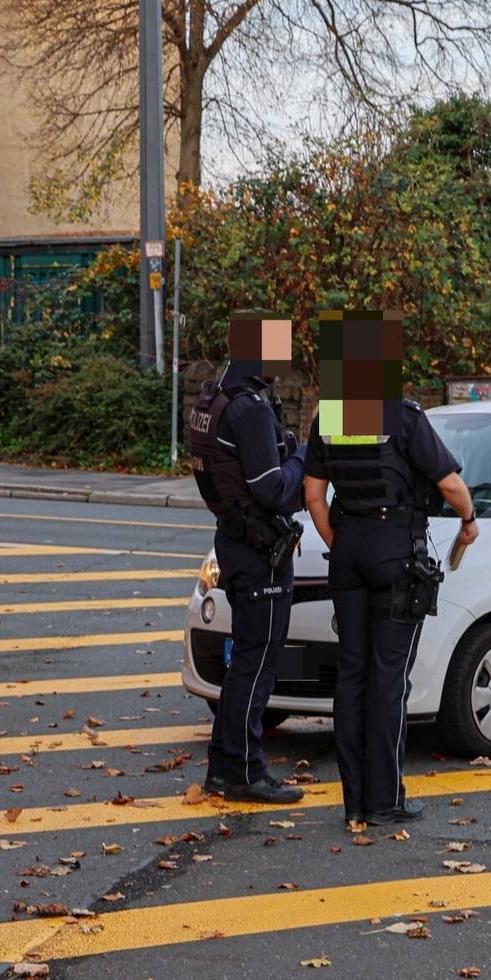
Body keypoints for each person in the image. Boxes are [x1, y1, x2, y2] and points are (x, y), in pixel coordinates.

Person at [302, 312, 478, 832]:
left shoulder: (327, 418)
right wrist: (469, 521)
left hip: (349, 548)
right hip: (393, 552)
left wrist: (340, 539)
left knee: (352, 674)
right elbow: (448, 485)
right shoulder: (402, 417)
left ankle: (354, 802)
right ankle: (385, 800)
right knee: (388, 677)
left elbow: (314, 495)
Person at [187, 314, 306, 803]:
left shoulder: (212, 399)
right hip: (260, 551)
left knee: (244, 664)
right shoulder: (250, 409)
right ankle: (247, 772)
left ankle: (223, 767)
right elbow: (271, 487)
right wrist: (304, 458)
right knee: (257, 665)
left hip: (232, 540)